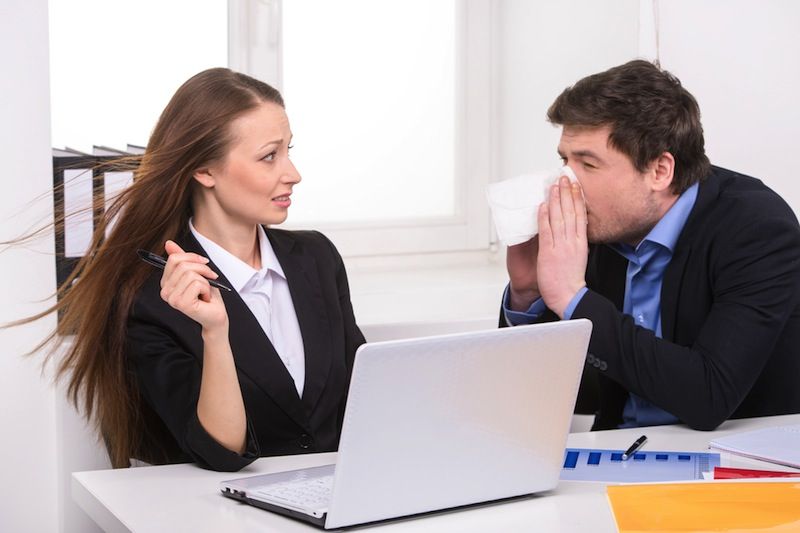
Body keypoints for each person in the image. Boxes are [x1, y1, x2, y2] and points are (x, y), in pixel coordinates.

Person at [27, 68, 365, 471]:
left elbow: (364, 396)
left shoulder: (317, 257)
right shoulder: (151, 296)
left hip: (343, 500)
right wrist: (216, 334)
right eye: (269, 156)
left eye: (289, 151)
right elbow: (221, 450)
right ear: (205, 171)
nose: (293, 174)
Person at [501, 59, 800, 431]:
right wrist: (528, 294)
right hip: (618, 451)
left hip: (729, 463)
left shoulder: (757, 230)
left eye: (588, 165)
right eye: (565, 161)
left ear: (660, 171)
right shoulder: (597, 227)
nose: (566, 184)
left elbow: (708, 396)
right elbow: (544, 396)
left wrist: (573, 298)